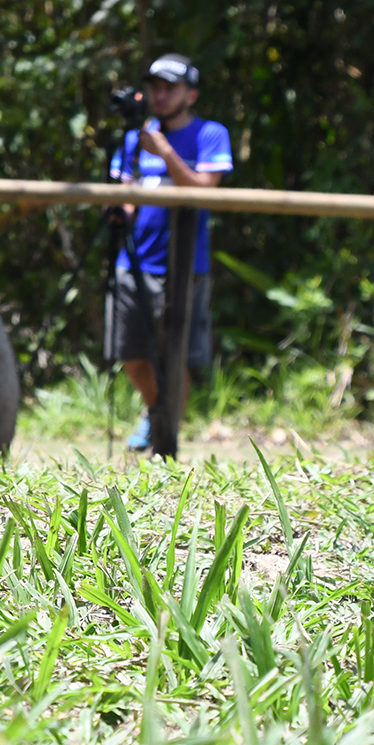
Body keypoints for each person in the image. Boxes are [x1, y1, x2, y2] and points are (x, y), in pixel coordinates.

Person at [105, 53, 233, 453]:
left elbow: (204, 188)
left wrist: (165, 154)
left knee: (174, 353)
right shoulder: (133, 138)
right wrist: (119, 211)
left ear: (190, 95)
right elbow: (125, 195)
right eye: (155, 87)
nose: (159, 96)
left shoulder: (210, 134)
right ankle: (156, 410)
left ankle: (165, 438)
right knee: (129, 351)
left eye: (170, 88)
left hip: (184, 265)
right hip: (133, 260)